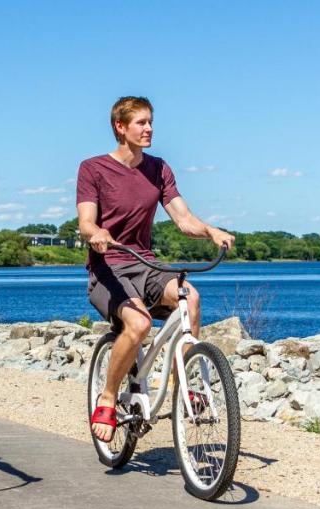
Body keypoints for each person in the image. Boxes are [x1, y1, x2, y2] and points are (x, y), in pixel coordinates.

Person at [76, 96, 235, 443]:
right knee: (139, 323)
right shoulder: (93, 168)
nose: (149, 129)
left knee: (190, 297)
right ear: (121, 127)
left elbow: (183, 218)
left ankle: (184, 389)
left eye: (151, 122)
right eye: (141, 123)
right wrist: (97, 234)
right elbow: (86, 222)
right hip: (108, 267)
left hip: (146, 263)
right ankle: (106, 397)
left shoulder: (159, 168)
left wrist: (211, 231)